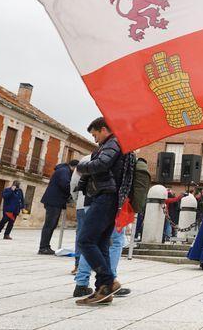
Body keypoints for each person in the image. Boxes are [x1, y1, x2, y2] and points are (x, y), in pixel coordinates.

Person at [74, 117, 129, 306]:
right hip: (109, 197)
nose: (95, 140)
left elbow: (102, 164)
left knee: (85, 240)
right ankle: (103, 290)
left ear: (104, 129)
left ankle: (108, 281)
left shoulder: (112, 143)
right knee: (101, 242)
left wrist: (80, 167)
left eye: (95, 135)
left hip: (105, 196)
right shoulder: (115, 143)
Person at [38, 160, 76, 254]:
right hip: (54, 201)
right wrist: (75, 189)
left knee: (51, 225)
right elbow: (65, 185)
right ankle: (43, 247)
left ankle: (46, 246)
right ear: (74, 167)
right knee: (49, 225)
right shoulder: (64, 171)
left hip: (54, 201)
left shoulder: (63, 170)